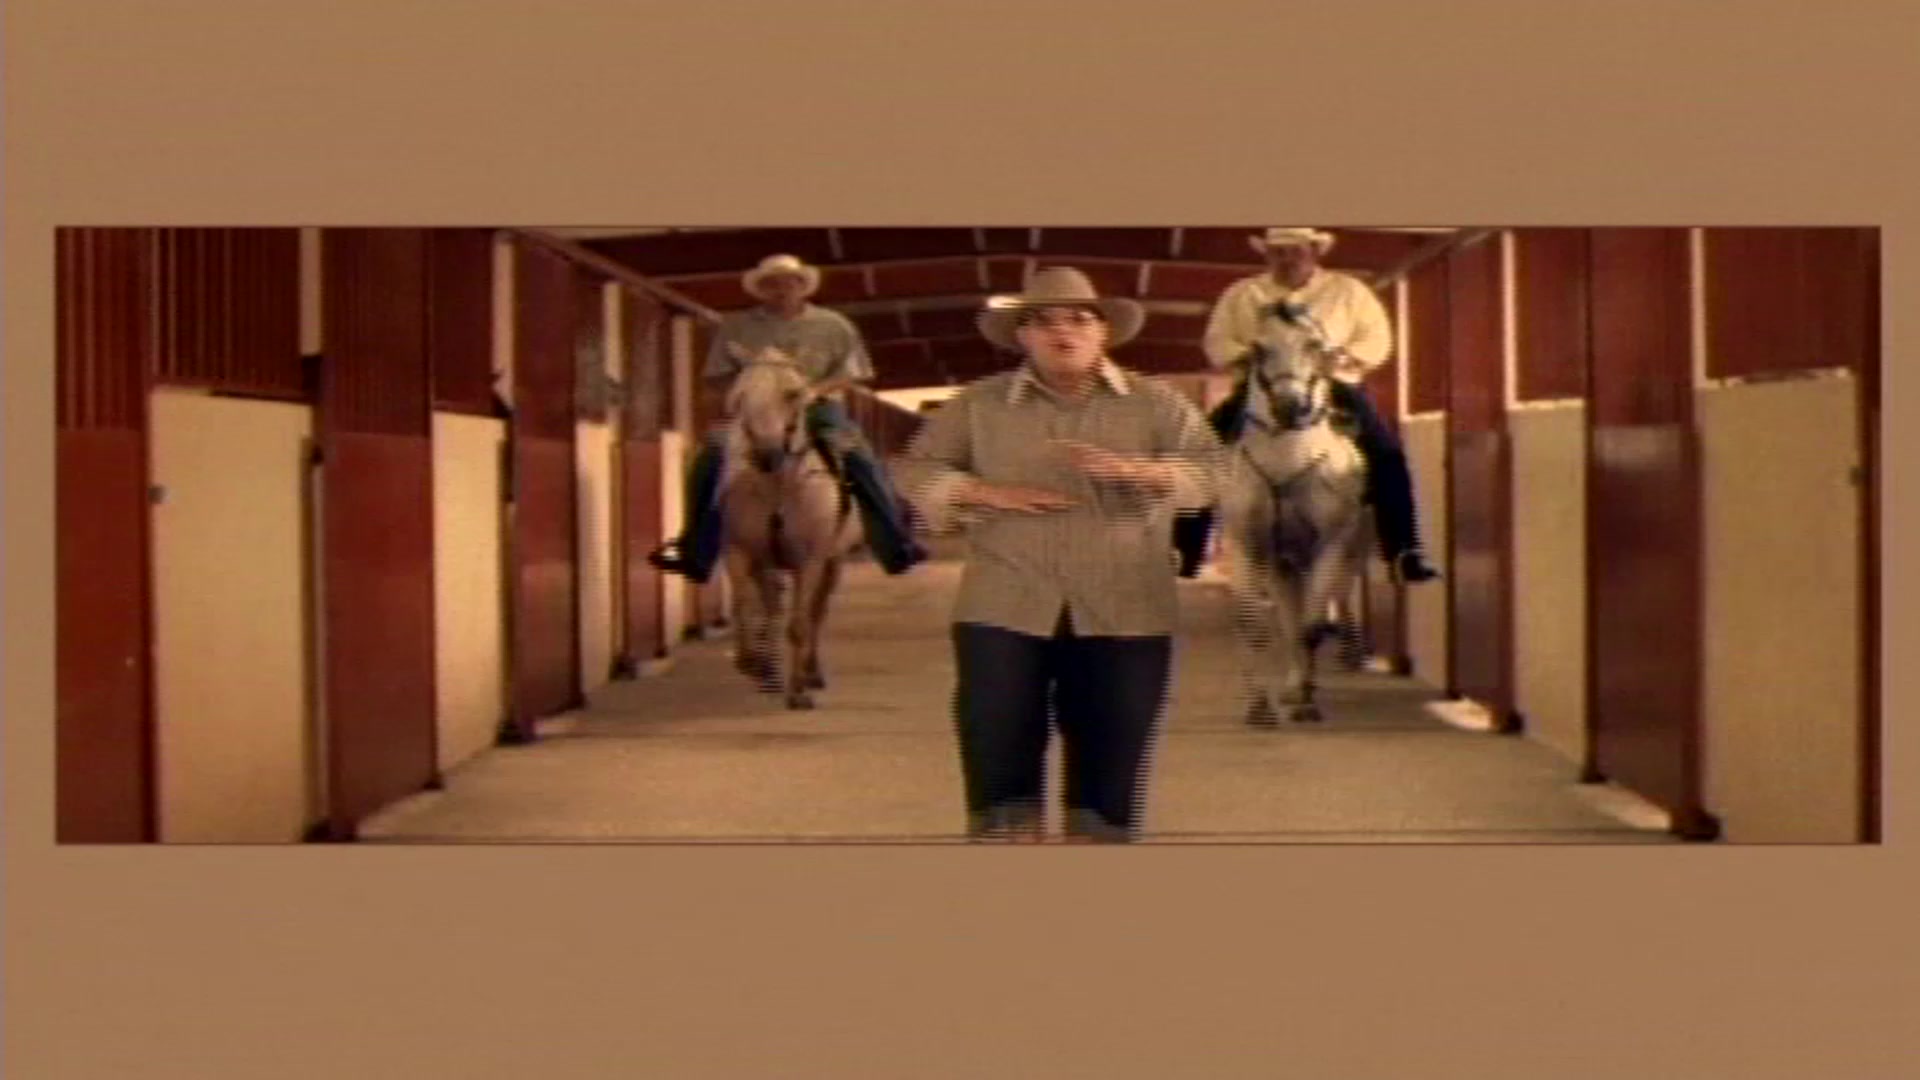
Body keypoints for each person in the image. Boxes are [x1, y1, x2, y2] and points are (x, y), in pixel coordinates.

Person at [896, 267, 1223, 843]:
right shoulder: (977, 404)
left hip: (1127, 606)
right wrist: (981, 492)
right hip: (1003, 602)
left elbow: (1216, 472)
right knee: (996, 745)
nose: (1062, 332)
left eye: (1078, 319)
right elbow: (916, 467)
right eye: (1043, 322)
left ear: (1103, 332)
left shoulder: (1158, 404)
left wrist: (1141, 472)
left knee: (1111, 763)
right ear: (1022, 336)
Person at [1171, 227, 1439, 584]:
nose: (1287, 259)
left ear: (1314, 251)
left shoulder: (1349, 292)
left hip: (1335, 385)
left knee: (1386, 454)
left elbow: (1377, 338)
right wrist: (1248, 356)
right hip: (1260, 387)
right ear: (1267, 255)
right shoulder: (1242, 294)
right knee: (1199, 451)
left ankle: (1404, 549)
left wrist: (1344, 355)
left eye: (1295, 251)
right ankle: (1185, 548)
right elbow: (1217, 341)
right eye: (1278, 252)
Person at [649, 253, 928, 582]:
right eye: (772, 285)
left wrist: (816, 390)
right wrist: (746, 395)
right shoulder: (737, 327)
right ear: (761, 290)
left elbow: (855, 373)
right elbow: (716, 375)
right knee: (707, 458)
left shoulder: (833, 325)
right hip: (756, 410)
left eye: (789, 283)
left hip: (818, 406)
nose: (781, 290)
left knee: (860, 456)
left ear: (802, 286)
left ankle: (895, 541)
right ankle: (694, 548)